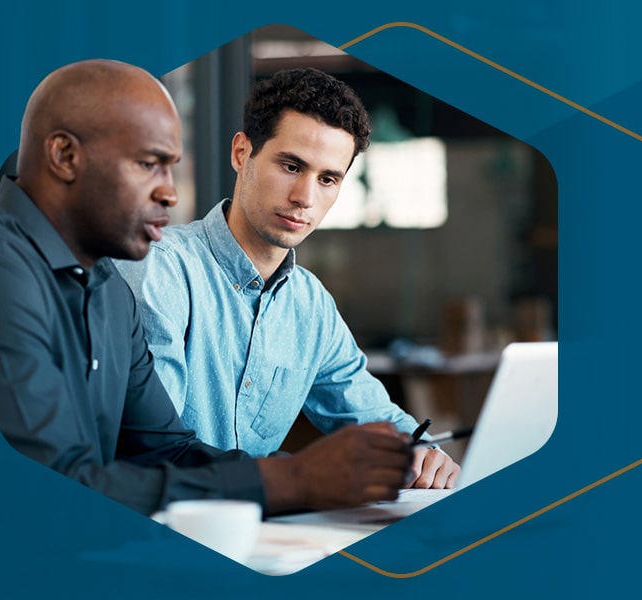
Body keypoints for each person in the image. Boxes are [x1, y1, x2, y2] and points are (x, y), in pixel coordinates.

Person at [0, 59, 414, 517]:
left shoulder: (105, 286)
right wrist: (294, 480)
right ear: (65, 156)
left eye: (170, 167)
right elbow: (51, 485)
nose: (170, 194)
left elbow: (164, 449)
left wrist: (312, 476)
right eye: (148, 164)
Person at [115, 68, 461, 488]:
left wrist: (425, 454)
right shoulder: (160, 269)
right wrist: (297, 476)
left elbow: (373, 415)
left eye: (328, 179)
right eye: (292, 166)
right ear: (242, 153)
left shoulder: (310, 305)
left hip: (266, 536)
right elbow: (153, 449)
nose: (305, 198)